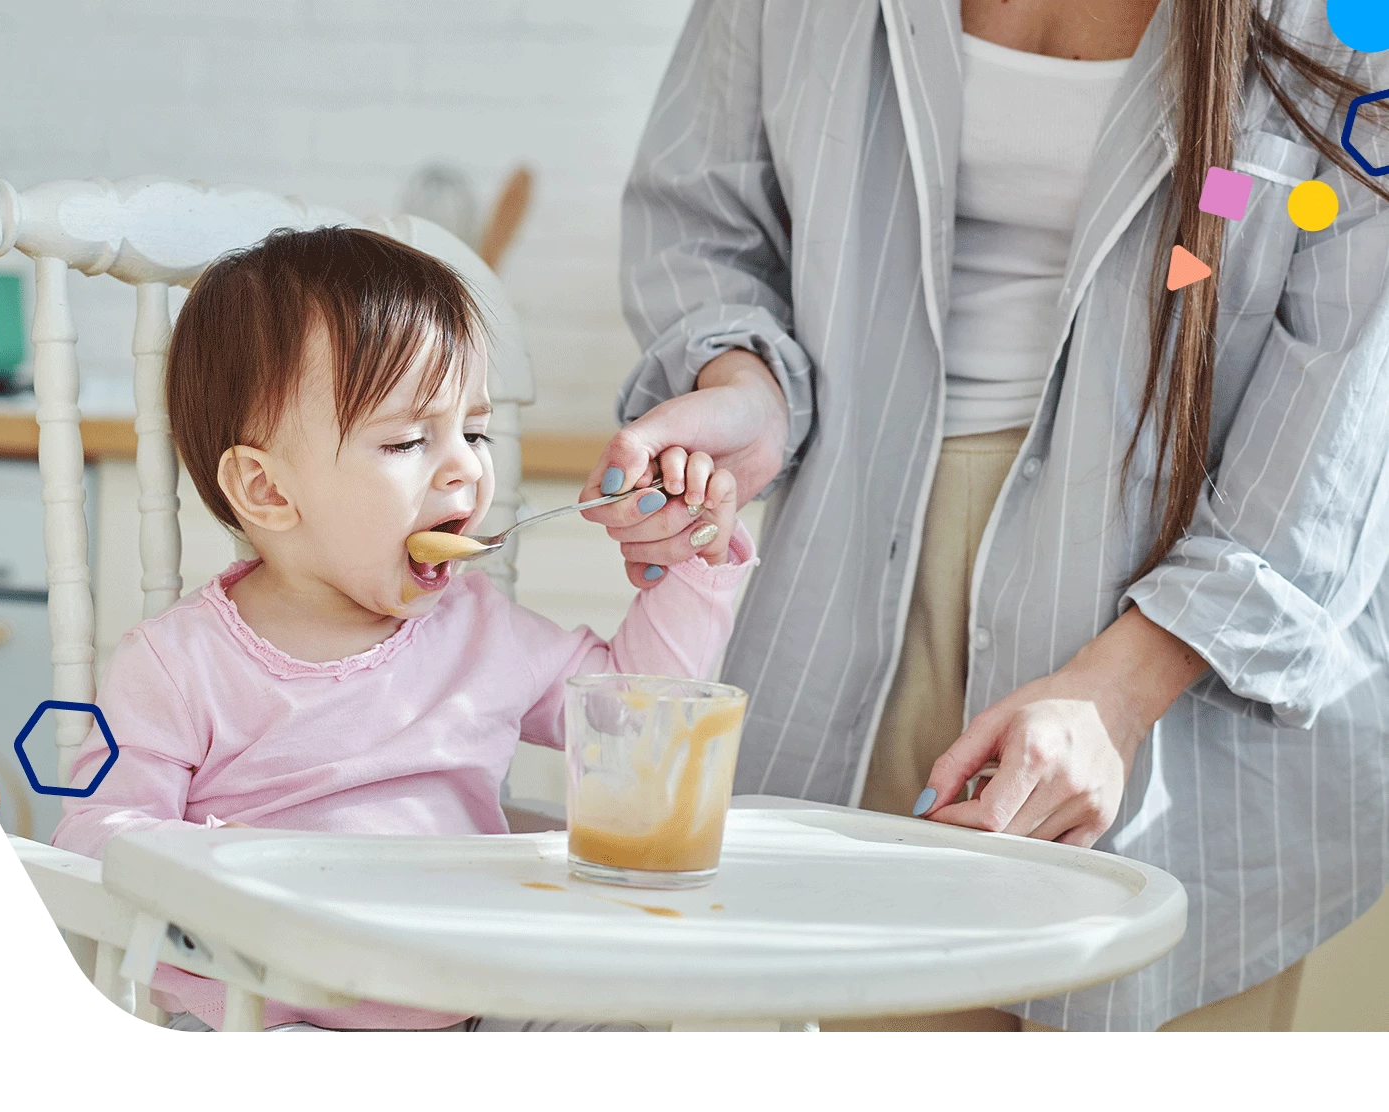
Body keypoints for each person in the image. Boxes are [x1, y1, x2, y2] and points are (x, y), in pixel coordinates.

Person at [585, 0, 1387, 1030]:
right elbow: (698, 220)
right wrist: (748, 384)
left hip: (1195, 641)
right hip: (854, 589)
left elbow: (1343, 407)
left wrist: (1118, 695)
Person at [52, 227, 756, 1030]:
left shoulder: (480, 630)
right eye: (407, 440)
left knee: (636, 1009)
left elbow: (638, 719)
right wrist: (230, 869)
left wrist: (692, 556)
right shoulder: (178, 666)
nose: (464, 467)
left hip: (480, 996)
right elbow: (91, 832)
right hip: (274, 1010)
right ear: (267, 490)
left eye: (475, 431)